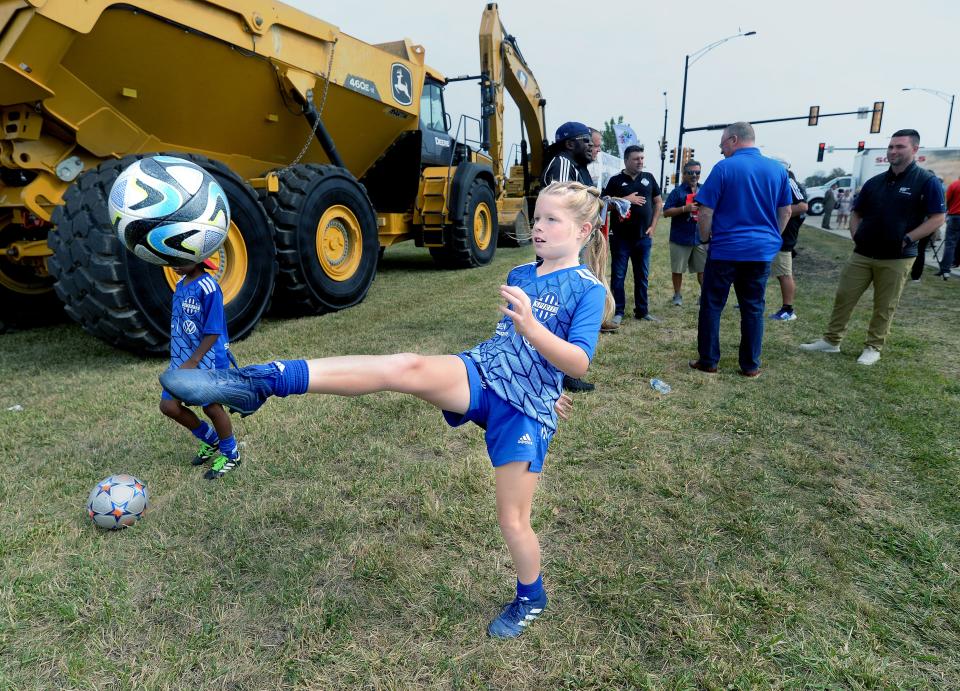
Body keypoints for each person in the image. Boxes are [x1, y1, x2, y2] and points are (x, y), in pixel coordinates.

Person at [161, 181, 610, 640]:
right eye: (537, 217)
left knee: (512, 520)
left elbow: (578, 360)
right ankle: (265, 380)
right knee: (403, 367)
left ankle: (532, 596)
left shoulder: (587, 289)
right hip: (482, 374)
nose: (538, 227)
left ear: (582, 231)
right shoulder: (520, 275)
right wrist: (529, 355)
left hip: (523, 413)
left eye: (552, 220)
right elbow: (510, 344)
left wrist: (541, 361)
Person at [801, 129, 946, 366]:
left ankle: (873, 347)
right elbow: (856, 212)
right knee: (844, 296)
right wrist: (856, 235)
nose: (893, 151)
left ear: (915, 149)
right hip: (863, 253)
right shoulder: (875, 182)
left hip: (897, 257)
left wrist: (907, 238)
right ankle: (831, 341)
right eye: (891, 147)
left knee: (884, 305)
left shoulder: (926, 182)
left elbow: (937, 218)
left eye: (900, 147)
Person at [689, 122, 792, 377]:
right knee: (754, 307)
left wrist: (704, 238)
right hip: (759, 252)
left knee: (712, 305)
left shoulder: (724, 168)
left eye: (722, 144)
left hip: (725, 249)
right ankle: (750, 365)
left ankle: (709, 360)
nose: (721, 150)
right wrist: (770, 237)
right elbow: (786, 210)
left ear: (734, 140)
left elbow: (705, 210)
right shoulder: (778, 170)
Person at [159, 259, 241, 480]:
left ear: (198, 257)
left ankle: (231, 453)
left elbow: (213, 331)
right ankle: (210, 439)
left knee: (212, 408)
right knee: (169, 406)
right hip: (182, 359)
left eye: (179, 259)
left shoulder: (209, 287)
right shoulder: (181, 283)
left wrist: (193, 362)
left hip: (207, 360)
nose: (172, 264)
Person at [603, 144, 663, 323]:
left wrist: (653, 226)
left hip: (643, 238)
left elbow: (658, 203)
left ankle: (642, 311)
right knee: (618, 276)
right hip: (620, 238)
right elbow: (603, 204)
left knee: (642, 275)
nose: (640, 162)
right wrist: (624, 200)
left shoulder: (649, 178)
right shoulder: (615, 180)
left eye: (642, 158)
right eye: (636, 159)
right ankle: (617, 312)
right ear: (626, 160)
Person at [662, 158, 706, 306]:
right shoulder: (677, 192)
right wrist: (684, 209)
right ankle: (677, 295)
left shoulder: (705, 190)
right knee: (678, 269)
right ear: (684, 174)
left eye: (697, 172)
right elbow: (666, 212)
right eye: (690, 172)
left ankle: (704, 295)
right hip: (680, 237)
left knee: (703, 269)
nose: (694, 175)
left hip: (700, 237)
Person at [768, 165, 808, 321]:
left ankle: (788, 310)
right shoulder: (778, 182)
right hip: (776, 236)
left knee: (784, 273)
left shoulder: (789, 181)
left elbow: (803, 206)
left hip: (784, 237)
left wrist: (777, 210)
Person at [936, 174, 960, 279]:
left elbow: (947, 201)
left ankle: (945, 270)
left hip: (954, 216)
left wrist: (948, 211)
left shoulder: (954, 185)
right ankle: (956, 262)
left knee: (950, 244)